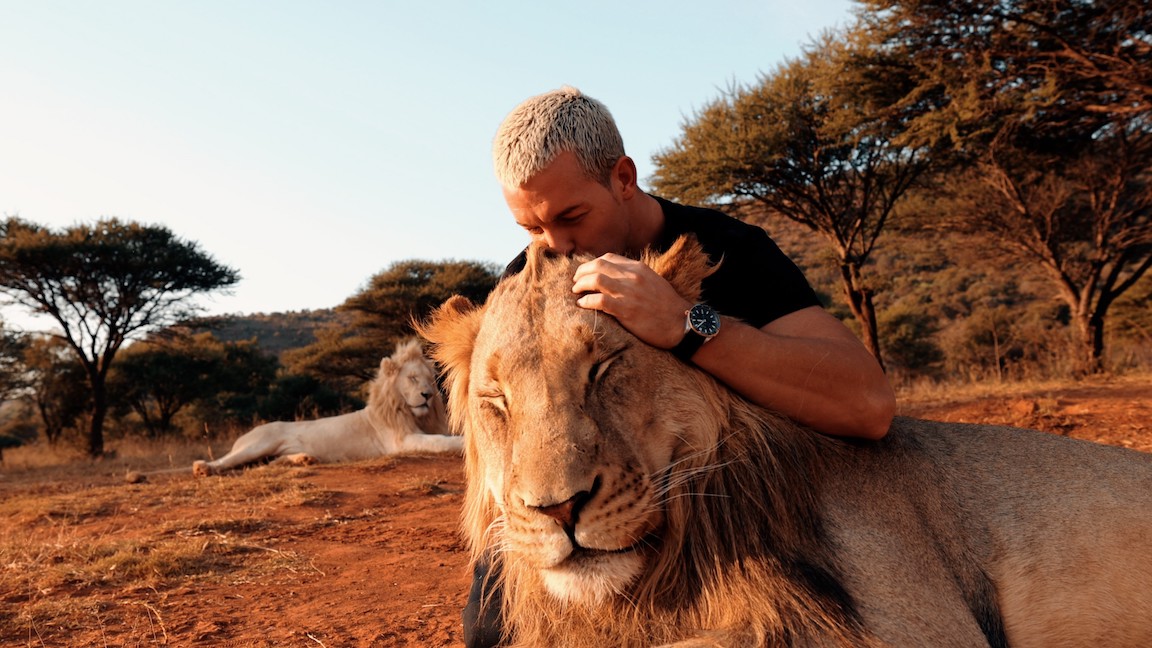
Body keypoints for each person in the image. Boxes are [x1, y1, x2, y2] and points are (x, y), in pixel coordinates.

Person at [463, 85, 896, 648]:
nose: (556, 248)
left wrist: (688, 324)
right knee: (488, 628)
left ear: (623, 178)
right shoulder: (525, 278)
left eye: (572, 216)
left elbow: (868, 406)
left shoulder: (731, 249)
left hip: (734, 508)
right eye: (531, 228)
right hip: (583, 500)